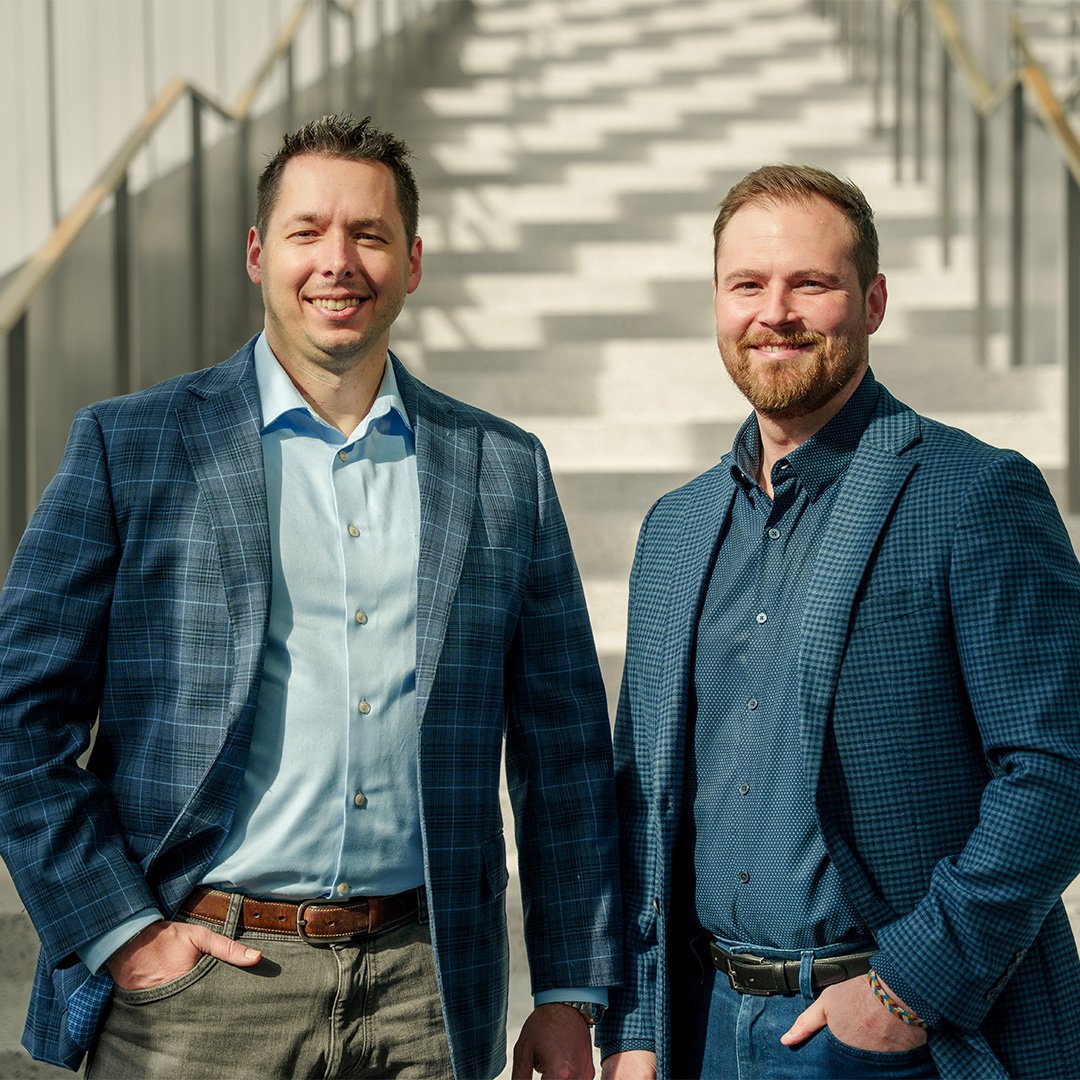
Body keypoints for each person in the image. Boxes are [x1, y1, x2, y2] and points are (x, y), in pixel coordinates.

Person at [0, 114, 620, 1080]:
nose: (339, 261)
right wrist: (124, 934)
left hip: (426, 991)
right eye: (307, 232)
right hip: (197, 994)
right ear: (258, 252)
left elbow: (567, 757)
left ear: (412, 263)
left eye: (369, 235)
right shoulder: (133, 447)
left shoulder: (503, 470)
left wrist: (571, 991)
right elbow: (14, 716)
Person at [598, 164, 1080, 1079]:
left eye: (810, 283)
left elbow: (1059, 766)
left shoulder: (974, 493)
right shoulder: (676, 528)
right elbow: (641, 801)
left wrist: (908, 990)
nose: (774, 312)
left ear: (873, 300)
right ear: (716, 303)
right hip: (701, 1028)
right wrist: (635, 1020)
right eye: (747, 284)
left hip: (893, 1033)